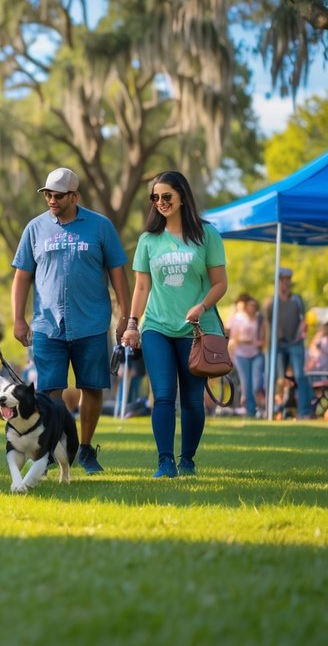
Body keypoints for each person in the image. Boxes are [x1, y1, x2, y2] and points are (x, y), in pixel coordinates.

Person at [11, 167, 130, 474]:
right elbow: (22, 276)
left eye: (59, 195)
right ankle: (50, 449)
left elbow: (118, 273)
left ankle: (87, 449)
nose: (52, 200)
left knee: (92, 386)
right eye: (48, 194)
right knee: (49, 391)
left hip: (91, 321)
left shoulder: (100, 227)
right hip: (48, 324)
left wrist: (125, 316)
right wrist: (18, 319)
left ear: (75, 196)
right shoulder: (35, 228)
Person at [121, 171, 228, 478]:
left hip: (197, 329)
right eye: (155, 198)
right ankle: (165, 461)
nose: (161, 203)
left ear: (182, 196)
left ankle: (188, 459)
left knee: (193, 400)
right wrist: (132, 324)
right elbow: (141, 287)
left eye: (166, 196)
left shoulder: (207, 235)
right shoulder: (148, 240)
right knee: (164, 395)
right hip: (156, 327)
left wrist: (202, 306)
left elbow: (220, 283)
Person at [263, 267, 310, 419]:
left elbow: (304, 320)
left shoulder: (297, 300)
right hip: (277, 343)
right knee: (273, 375)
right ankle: (270, 409)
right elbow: (265, 324)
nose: (285, 284)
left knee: (300, 375)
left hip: (295, 342)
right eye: (282, 280)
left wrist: (302, 332)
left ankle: (305, 411)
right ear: (278, 282)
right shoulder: (271, 302)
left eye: (287, 280)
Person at [227, 293, 268, 418]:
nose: (252, 308)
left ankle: (256, 406)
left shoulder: (260, 321)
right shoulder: (238, 320)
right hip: (241, 355)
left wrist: (257, 342)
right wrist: (244, 340)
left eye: (254, 306)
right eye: (250, 305)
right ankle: (250, 411)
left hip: (256, 354)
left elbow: (265, 339)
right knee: (246, 384)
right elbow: (233, 338)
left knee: (256, 383)